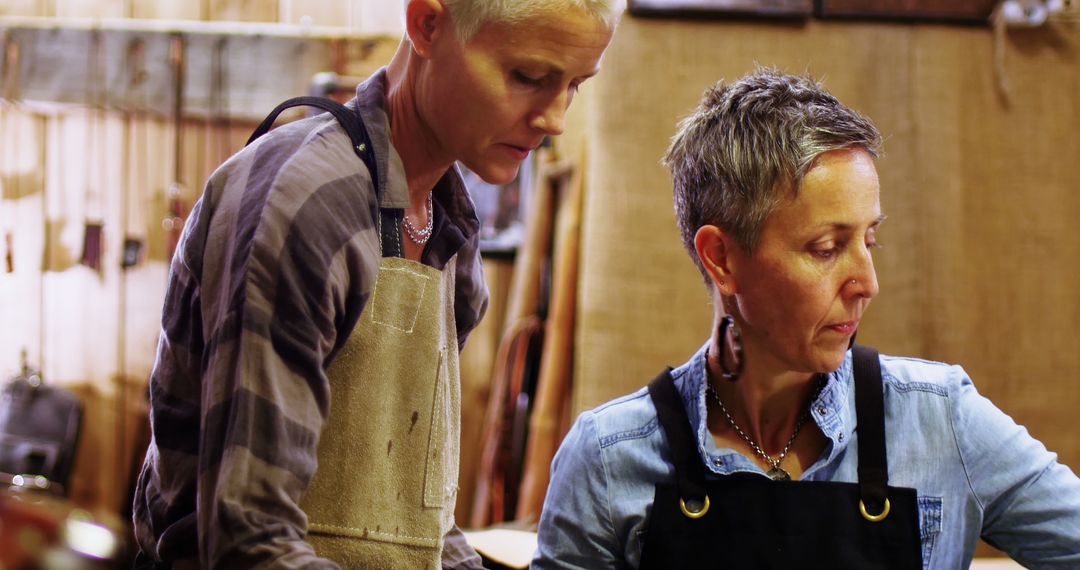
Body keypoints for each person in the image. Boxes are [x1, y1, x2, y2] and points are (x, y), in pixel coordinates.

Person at [131, 1, 620, 568]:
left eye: (576, 86)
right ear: (427, 25)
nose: (555, 118)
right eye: (528, 78)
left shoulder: (446, 229)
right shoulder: (305, 206)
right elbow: (249, 541)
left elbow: (412, 528)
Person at [533, 68, 1080, 568]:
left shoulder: (940, 422)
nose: (867, 284)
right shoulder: (607, 460)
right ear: (722, 258)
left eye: (870, 240)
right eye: (826, 248)